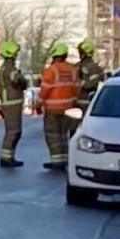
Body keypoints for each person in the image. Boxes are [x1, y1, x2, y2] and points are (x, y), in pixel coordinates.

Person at [38, 42, 81, 170]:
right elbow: (77, 89)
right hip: (68, 109)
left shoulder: (51, 70)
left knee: (53, 135)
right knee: (63, 134)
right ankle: (64, 159)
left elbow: (45, 89)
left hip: (53, 109)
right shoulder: (73, 70)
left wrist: (38, 103)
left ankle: (56, 161)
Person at [0, 41, 31, 169]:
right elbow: (17, 79)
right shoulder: (9, 67)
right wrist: (23, 80)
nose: (17, 55)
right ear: (11, 54)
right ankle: (6, 159)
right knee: (13, 132)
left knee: (14, 131)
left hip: (11, 103)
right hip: (11, 103)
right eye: (15, 53)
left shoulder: (6, 66)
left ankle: (9, 157)